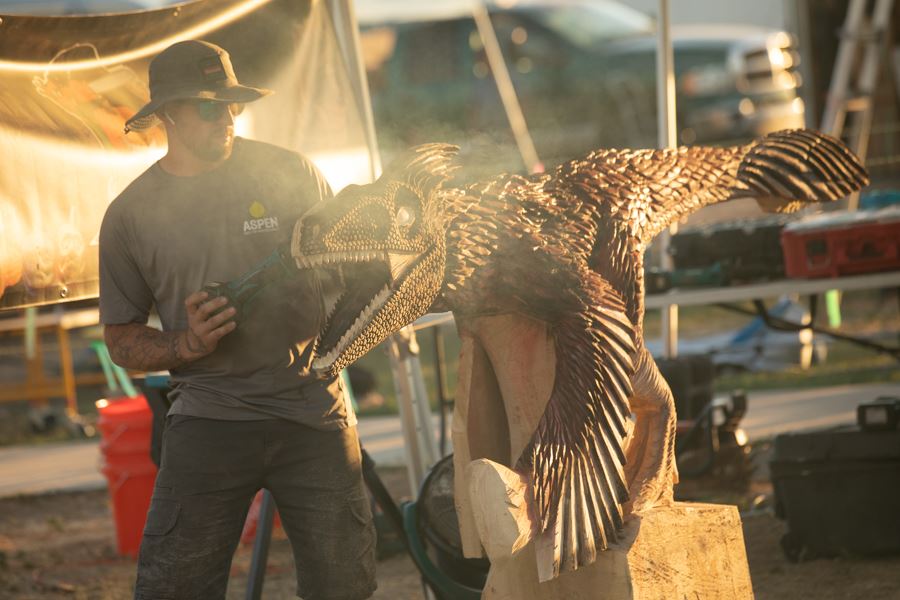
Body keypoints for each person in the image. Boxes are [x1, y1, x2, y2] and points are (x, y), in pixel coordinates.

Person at [99, 40, 376, 600]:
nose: (224, 117)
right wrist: (187, 345)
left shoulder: (291, 173)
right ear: (168, 114)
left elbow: (351, 277)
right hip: (209, 420)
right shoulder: (131, 215)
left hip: (313, 413)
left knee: (346, 588)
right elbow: (121, 340)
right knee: (172, 590)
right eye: (208, 106)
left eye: (232, 104)